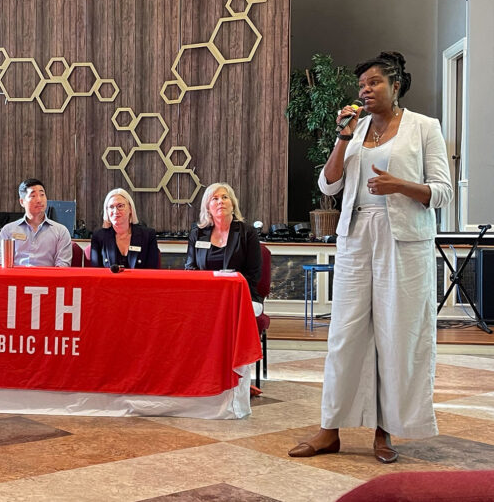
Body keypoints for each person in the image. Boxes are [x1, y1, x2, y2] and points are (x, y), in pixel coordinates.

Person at [288, 51, 452, 463]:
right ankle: (330, 429)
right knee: (344, 334)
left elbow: (443, 192)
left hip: (403, 241)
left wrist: (401, 185)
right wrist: (343, 137)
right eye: (362, 85)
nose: (366, 90)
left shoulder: (424, 128)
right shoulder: (355, 129)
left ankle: (385, 432)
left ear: (397, 86)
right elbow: (329, 187)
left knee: (396, 336)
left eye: (375, 82)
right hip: (356, 235)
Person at [185, 182, 264, 317]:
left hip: (240, 294)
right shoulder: (197, 234)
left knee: (228, 312)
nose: (220, 201)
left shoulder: (247, 233)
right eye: (215, 199)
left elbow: (254, 273)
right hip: (206, 295)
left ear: (232, 204)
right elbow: (190, 268)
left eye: (225, 197)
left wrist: (227, 290)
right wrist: (212, 291)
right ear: (208, 207)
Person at [0, 178, 73, 267]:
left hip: (47, 280)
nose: (39, 200)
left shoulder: (61, 231)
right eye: (33, 196)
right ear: (22, 202)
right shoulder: (8, 230)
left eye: (42, 194)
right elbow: (0, 263)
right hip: (16, 279)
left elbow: (62, 266)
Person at [90, 188, 159, 269]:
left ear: (130, 208)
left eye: (120, 206)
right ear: (107, 211)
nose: (115, 211)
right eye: (111, 207)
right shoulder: (98, 236)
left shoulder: (148, 235)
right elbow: (96, 272)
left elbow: (151, 272)